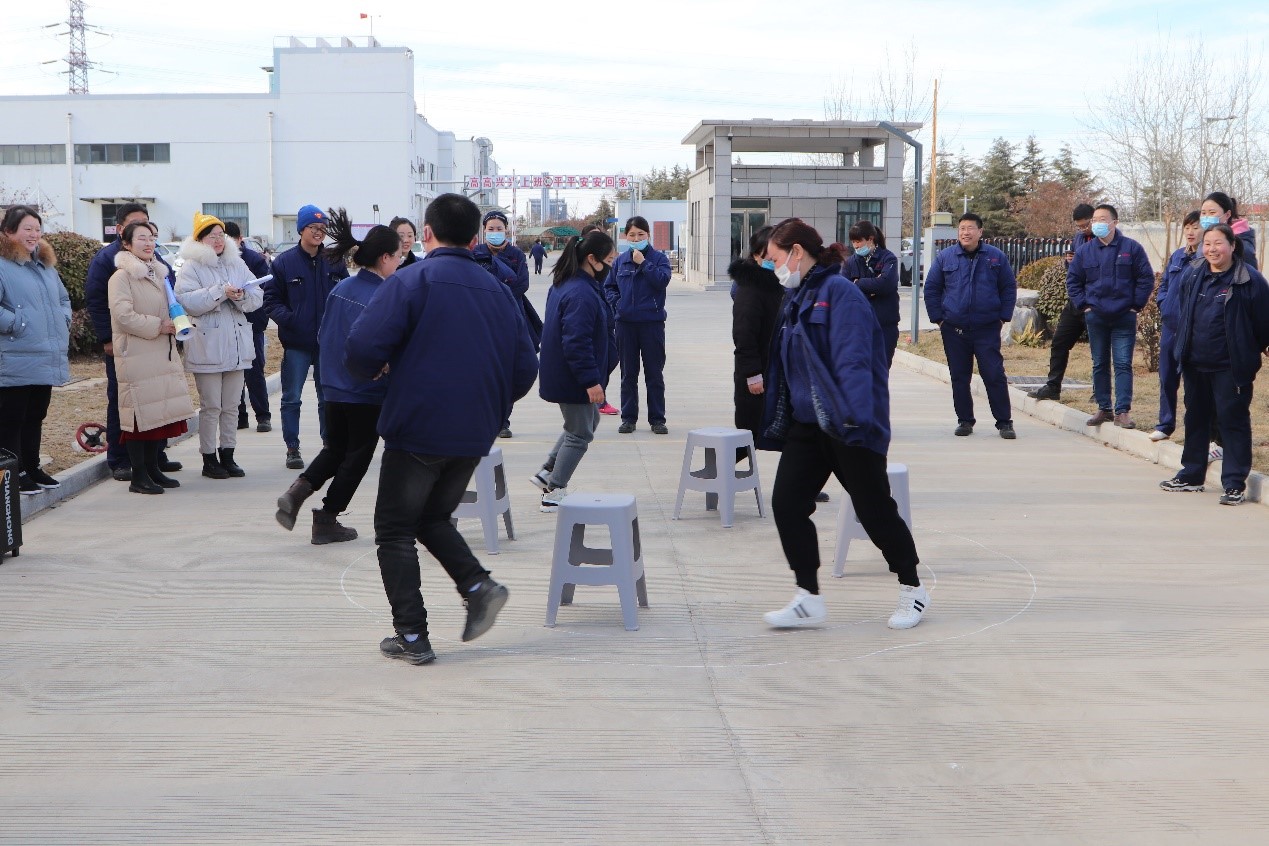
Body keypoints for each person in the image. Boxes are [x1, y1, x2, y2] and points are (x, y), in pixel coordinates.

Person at [345, 193, 538, 665]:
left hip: (419, 426)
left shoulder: (410, 281)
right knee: (431, 517)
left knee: (394, 529)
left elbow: (363, 346)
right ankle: (478, 587)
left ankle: (412, 634)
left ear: (426, 233)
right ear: (475, 238)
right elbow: (525, 367)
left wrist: (372, 371)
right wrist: (490, 407)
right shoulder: (498, 290)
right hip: (473, 432)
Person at [761, 218, 929, 630]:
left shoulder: (840, 293)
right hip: (808, 424)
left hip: (849, 423)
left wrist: (855, 418)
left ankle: (913, 589)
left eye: (775, 259)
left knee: (874, 511)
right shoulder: (798, 295)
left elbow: (855, 361)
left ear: (796, 252)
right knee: (787, 504)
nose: (773, 267)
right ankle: (808, 598)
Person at [276, 210, 400, 543]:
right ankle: (327, 518)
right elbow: (379, 344)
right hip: (364, 389)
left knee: (335, 449)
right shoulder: (382, 296)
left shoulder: (343, 287)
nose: (399, 263)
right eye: (397, 257)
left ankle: (298, 490)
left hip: (332, 385)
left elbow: (324, 335)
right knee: (358, 456)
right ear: (384, 258)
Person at [1160, 223, 1269, 505]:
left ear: (1232, 246)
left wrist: (1253, 350)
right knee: (1195, 418)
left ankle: (1233, 483)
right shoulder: (1193, 273)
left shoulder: (1250, 279)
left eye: (1218, 243)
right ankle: (1192, 475)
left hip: (1230, 366)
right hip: (1195, 363)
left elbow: (1263, 323)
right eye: (1207, 244)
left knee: (1232, 421)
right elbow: (1183, 311)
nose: (1212, 249)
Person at [85, 202, 180, 480]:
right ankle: (121, 460)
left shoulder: (156, 262)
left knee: (157, 401)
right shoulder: (110, 261)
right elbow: (99, 302)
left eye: (150, 230)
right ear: (121, 231)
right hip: (129, 345)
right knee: (125, 403)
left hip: (157, 345)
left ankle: (155, 459)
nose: (147, 237)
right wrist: (107, 338)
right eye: (138, 228)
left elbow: (170, 296)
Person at [530, 230, 618, 512]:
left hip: (568, 374)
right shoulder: (581, 293)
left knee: (587, 422)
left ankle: (548, 471)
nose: (611, 267)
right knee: (579, 434)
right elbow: (576, 343)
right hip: (573, 378)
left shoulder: (572, 284)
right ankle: (553, 491)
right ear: (592, 259)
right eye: (609, 261)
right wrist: (591, 381)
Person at [107, 221, 196, 495]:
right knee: (139, 417)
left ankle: (153, 468)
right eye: (142, 238)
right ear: (126, 243)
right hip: (136, 354)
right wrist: (159, 326)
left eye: (152, 238)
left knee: (157, 415)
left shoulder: (158, 273)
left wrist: (177, 322)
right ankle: (139, 476)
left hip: (159, 352)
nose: (149, 243)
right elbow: (124, 316)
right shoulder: (121, 277)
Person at [175, 213, 262, 479]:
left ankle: (228, 454)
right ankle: (209, 458)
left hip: (237, 346)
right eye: (211, 236)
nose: (217, 240)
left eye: (220, 235)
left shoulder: (237, 263)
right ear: (200, 240)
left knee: (232, 405)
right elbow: (187, 302)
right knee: (211, 406)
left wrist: (240, 296)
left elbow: (256, 296)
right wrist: (220, 292)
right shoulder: (191, 267)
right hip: (207, 345)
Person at [263, 205, 348, 469]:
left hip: (327, 344)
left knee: (328, 399)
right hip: (296, 344)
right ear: (301, 230)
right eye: (313, 228)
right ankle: (292, 448)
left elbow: (347, 294)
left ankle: (330, 446)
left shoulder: (334, 260)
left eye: (323, 229)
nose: (319, 233)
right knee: (291, 398)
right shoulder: (284, 263)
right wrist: (291, 320)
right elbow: (271, 300)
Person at [924, 213, 1019, 438]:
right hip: (954, 329)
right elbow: (931, 289)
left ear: (980, 231)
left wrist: (1003, 317)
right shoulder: (945, 257)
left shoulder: (995, 257)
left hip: (986, 328)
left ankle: (1004, 422)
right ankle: (965, 421)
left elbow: (1008, 287)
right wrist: (939, 319)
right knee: (959, 377)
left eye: (970, 228)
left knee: (994, 374)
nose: (965, 232)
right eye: (962, 228)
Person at [0, 206, 71, 495]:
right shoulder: (3, 265)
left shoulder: (44, 266)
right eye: (26, 229)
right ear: (9, 232)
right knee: (11, 419)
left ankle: (32, 466)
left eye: (37, 229)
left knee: (35, 415)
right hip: (14, 356)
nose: (33, 234)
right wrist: (16, 322)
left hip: (44, 354)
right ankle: (12, 474)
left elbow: (63, 299)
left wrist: (63, 318)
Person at [1065, 203, 1154, 429]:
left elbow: (1145, 278)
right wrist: (1084, 305)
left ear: (1114, 222)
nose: (1097, 224)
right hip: (1096, 316)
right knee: (1099, 363)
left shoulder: (1131, 248)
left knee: (1123, 363)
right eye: (1094, 220)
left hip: (1124, 316)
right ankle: (1104, 407)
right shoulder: (1085, 251)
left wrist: (1136, 305)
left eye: (1102, 219)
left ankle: (1122, 411)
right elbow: (1073, 281)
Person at [473, 209, 540, 437]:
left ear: (506, 230)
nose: (495, 232)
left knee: (508, 372)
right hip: (483, 319)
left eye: (499, 229)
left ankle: (503, 421)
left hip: (511, 317)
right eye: (490, 229)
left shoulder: (516, 254)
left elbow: (522, 284)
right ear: (483, 231)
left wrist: (498, 296)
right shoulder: (476, 253)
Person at [605, 216, 672, 434]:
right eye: (632, 235)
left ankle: (657, 419)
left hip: (652, 324)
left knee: (654, 374)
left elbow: (662, 281)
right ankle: (628, 418)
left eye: (640, 234)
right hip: (625, 325)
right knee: (628, 374)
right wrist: (618, 304)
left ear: (648, 235)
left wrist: (643, 263)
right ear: (626, 237)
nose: (636, 238)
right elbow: (609, 287)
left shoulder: (659, 259)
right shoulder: (620, 261)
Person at [1029, 203, 1095, 400]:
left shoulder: (1105, 239)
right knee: (1059, 342)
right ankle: (1053, 386)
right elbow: (1073, 272)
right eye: (1079, 226)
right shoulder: (1079, 238)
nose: (1083, 229)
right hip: (1076, 302)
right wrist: (1069, 262)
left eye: (1086, 225)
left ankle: (1099, 391)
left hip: (1095, 303)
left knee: (1098, 349)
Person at [729, 225, 783, 450]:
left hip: (776, 369)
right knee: (749, 436)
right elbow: (744, 335)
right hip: (758, 373)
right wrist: (752, 374)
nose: (772, 260)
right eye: (766, 255)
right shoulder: (751, 288)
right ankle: (720, 470)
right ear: (755, 255)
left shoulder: (778, 282)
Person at [1151, 210, 1203, 441]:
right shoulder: (1178, 256)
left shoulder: (1205, 260)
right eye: (1187, 227)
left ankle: (1194, 430)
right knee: (1167, 377)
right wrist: (1163, 303)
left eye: (1196, 227)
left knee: (1193, 383)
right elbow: (1164, 285)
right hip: (1170, 327)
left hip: (1193, 330)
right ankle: (1165, 424)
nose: (1190, 232)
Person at [226, 221, 273, 434]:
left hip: (252, 322)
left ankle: (263, 416)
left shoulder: (254, 260)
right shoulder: (218, 261)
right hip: (229, 324)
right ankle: (240, 416)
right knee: (233, 372)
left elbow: (266, 288)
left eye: (231, 241)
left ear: (240, 240)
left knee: (254, 372)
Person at [841, 220, 901, 365]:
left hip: (884, 326)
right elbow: (845, 291)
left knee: (881, 370)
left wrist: (858, 283)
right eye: (853, 242)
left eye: (858, 241)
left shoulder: (888, 258)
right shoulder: (850, 263)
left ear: (870, 239)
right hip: (859, 327)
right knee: (860, 370)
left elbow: (886, 284)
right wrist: (873, 286)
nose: (856, 246)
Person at [1200, 192, 1258, 271]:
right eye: (1203, 213)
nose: (1206, 217)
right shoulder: (1205, 238)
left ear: (1227, 214)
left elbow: (1250, 275)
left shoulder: (1243, 246)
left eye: (1212, 212)